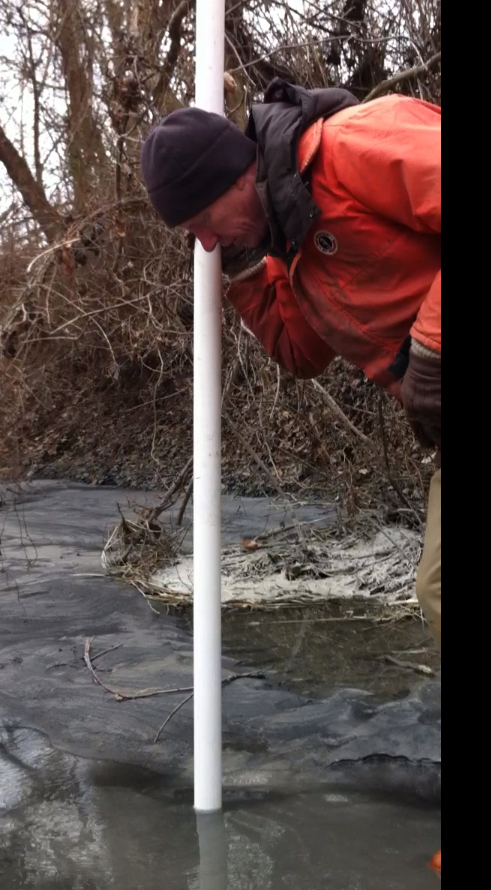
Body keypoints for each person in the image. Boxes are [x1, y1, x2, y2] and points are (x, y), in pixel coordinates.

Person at [141, 77, 440, 870]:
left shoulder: (350, 148)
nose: (203, 242)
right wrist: (244, 269)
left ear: (236, 178)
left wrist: (436, 348)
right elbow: (301, 354)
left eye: (205, 224)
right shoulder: (290, 244)